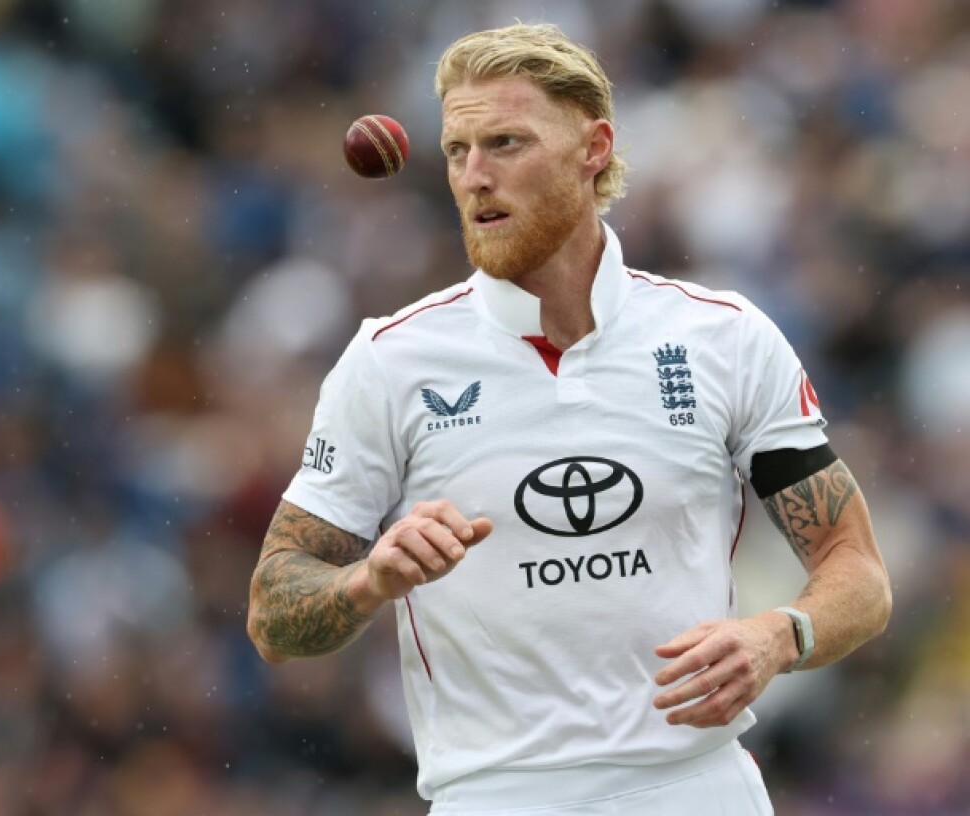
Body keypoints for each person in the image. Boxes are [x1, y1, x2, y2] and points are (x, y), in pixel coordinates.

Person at [247, 22, 891, 816]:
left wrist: (779, 635)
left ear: (594, 148)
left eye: (506, 143)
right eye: (457, 151)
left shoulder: (723, 336)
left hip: (695, 789)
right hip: (495, 797)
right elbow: (274, 613)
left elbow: (857, 570)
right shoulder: (389, 360)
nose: (475, 177)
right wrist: (367, 580)